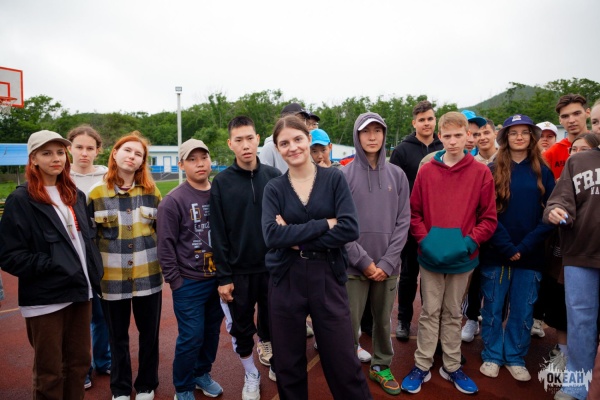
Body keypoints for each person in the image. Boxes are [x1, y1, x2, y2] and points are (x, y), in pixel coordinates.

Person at [261, 115, 372, 400]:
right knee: (288, 363)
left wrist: (294, 237)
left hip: (327, 274)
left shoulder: (334, 178)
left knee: (343, 361)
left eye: (298, 139)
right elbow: (272, 236)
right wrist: (325, 223)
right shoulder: (274, 188)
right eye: (284, 143)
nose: (292, 147)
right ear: (277, 149)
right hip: (286, 278)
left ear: (309, 140)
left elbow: (349, 228)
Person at [0, 130, 103, 400]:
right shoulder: (21, 199)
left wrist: (93, 272)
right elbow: (9, 255)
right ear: (33, 159)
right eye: (46, 153)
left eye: (59, 152)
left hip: (80, 292)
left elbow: (85, 241)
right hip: (46, 298)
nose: (56, 158)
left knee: (79, 364)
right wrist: (53, 265)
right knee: (50, 372)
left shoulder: (74, 194)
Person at [400, 112, 497, 395]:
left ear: (468, 136)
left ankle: (452, 365)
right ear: (439, 136)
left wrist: (467, 244)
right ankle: (422, 364)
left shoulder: (480, 172)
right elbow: (414, 213)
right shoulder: (427, 170)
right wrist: (426, 241)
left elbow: (488, 219)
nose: (453, 141)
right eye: (447, 136)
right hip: (430, 256)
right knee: (430, 311)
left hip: (463, 258)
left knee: (453, 313)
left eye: (458, 135)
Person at [478, 114, 555, 382]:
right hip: (497, 252)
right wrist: (507, 245)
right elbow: (485, 211)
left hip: (530, 254)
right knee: (493, 307)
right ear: (505, 137)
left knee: (523, 310)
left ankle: (514, 356)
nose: (519, 137)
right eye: (513, 132)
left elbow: (551, 213)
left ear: (531, 137)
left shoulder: (543, 171)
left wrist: (524, 245)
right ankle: (491, 354)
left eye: (524, 132)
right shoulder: (491, 170)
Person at [209, 116, 281, 400]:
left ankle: (274, 358)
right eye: (238, 140)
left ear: (258, 139)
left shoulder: (274, 176)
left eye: (250, 138)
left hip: (273, 268)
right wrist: (224, 276)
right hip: (238, 271)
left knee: (275, 320)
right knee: (241, 327)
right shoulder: (221, 182)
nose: (245, 145)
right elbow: (218, 233)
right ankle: (251, 373)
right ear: (230, 144)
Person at [88, 132, 163, 400]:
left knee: (149, 334)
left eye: (138, 154)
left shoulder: (152, 192)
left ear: (143, 161)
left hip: (148, 275)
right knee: (116, 336)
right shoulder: (96, 193)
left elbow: (161, 231)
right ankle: (120, 388)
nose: (132, 156)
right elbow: (90, 239)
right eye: (127, 150)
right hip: (111, 279)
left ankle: (146, 385)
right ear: (115, 153)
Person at [343, 112, 410, 395]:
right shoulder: (343, 175)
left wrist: (387, 262)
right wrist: (363, 261)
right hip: (353, 268)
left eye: (378, 131)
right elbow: (339, 225)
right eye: (366, 131)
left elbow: (403, 221)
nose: (372, 137)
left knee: (383, 322)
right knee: (348, 322)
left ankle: (381, 365)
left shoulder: (397, 174)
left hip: (388, 267)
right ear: (357, 136)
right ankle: (346, 368)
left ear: (384, 134)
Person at [157, 139, 224, 400]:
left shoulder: (220, 193)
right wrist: (176, 281)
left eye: (203, 158)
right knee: (191, 336)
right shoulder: (173, 200)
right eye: (192, 159)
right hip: (189, 282)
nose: (199, 164)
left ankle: (201, 373)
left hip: (218, 279)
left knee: (211, 333)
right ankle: (183, 387)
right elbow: (165, 245)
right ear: (181, 165)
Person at [543, 142, 600, 400]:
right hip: (580, 252)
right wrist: (556, 211)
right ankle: (576, 384)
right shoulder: (578, 161)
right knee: (580, 322)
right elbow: (559, 200)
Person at [390, 100, 443, 341]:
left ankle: (430, 322)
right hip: (411, 222)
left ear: (435, 120)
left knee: (434, 277)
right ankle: (403, 319)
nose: (426, 123)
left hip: (438, 223)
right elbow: (394, 188)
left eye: (430, 118)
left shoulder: (444, 147)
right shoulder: (402, 151)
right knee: (409, 275)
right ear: (414, 123)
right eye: (421, 120)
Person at [67, 124, 111, 390]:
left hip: (100, 254)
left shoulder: (106, 176)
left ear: (98, 150)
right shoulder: (61, 176)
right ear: (70, 148)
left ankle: (103, 360)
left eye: (90, 148)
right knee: (77, 317)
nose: (84, 153)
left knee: (102, 316)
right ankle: (81, 367)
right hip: (72, 256)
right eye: (79, 147)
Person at [461, 118, 498, 343]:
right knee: (473, 278)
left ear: (495, 134)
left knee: (495, 280)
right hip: (474, 230)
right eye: (477, 134)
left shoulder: (505, 160)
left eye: (486, 133)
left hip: (498, 229)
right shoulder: (470, 162)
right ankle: (472, 317)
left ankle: (493, 322)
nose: (481, 137)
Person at [544, 94, 591, 180]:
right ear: (560, 120)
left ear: (587, 113)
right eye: (565, 116)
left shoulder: (597, 145)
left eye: (576, 114)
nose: (571, 120)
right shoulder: (550, 154)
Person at [260, 103, 310, 173]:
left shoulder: (305, 144)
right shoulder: (269, 147)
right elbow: (264, 175)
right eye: (284, 144)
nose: (293, 148)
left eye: (303, 119)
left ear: (309, 139)